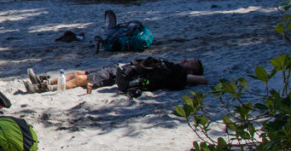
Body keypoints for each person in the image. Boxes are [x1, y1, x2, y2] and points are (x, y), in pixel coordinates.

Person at [24, 59, 206, 94]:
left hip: (122, 74)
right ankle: (43, 80)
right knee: (80, 73)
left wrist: (189, 74)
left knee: (82, 80)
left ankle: (43, 88)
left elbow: (203, 80)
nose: (186, 60)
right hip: (122, 66)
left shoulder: (179, 74)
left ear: (191, 71)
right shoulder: (171, 66)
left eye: (191, 63)